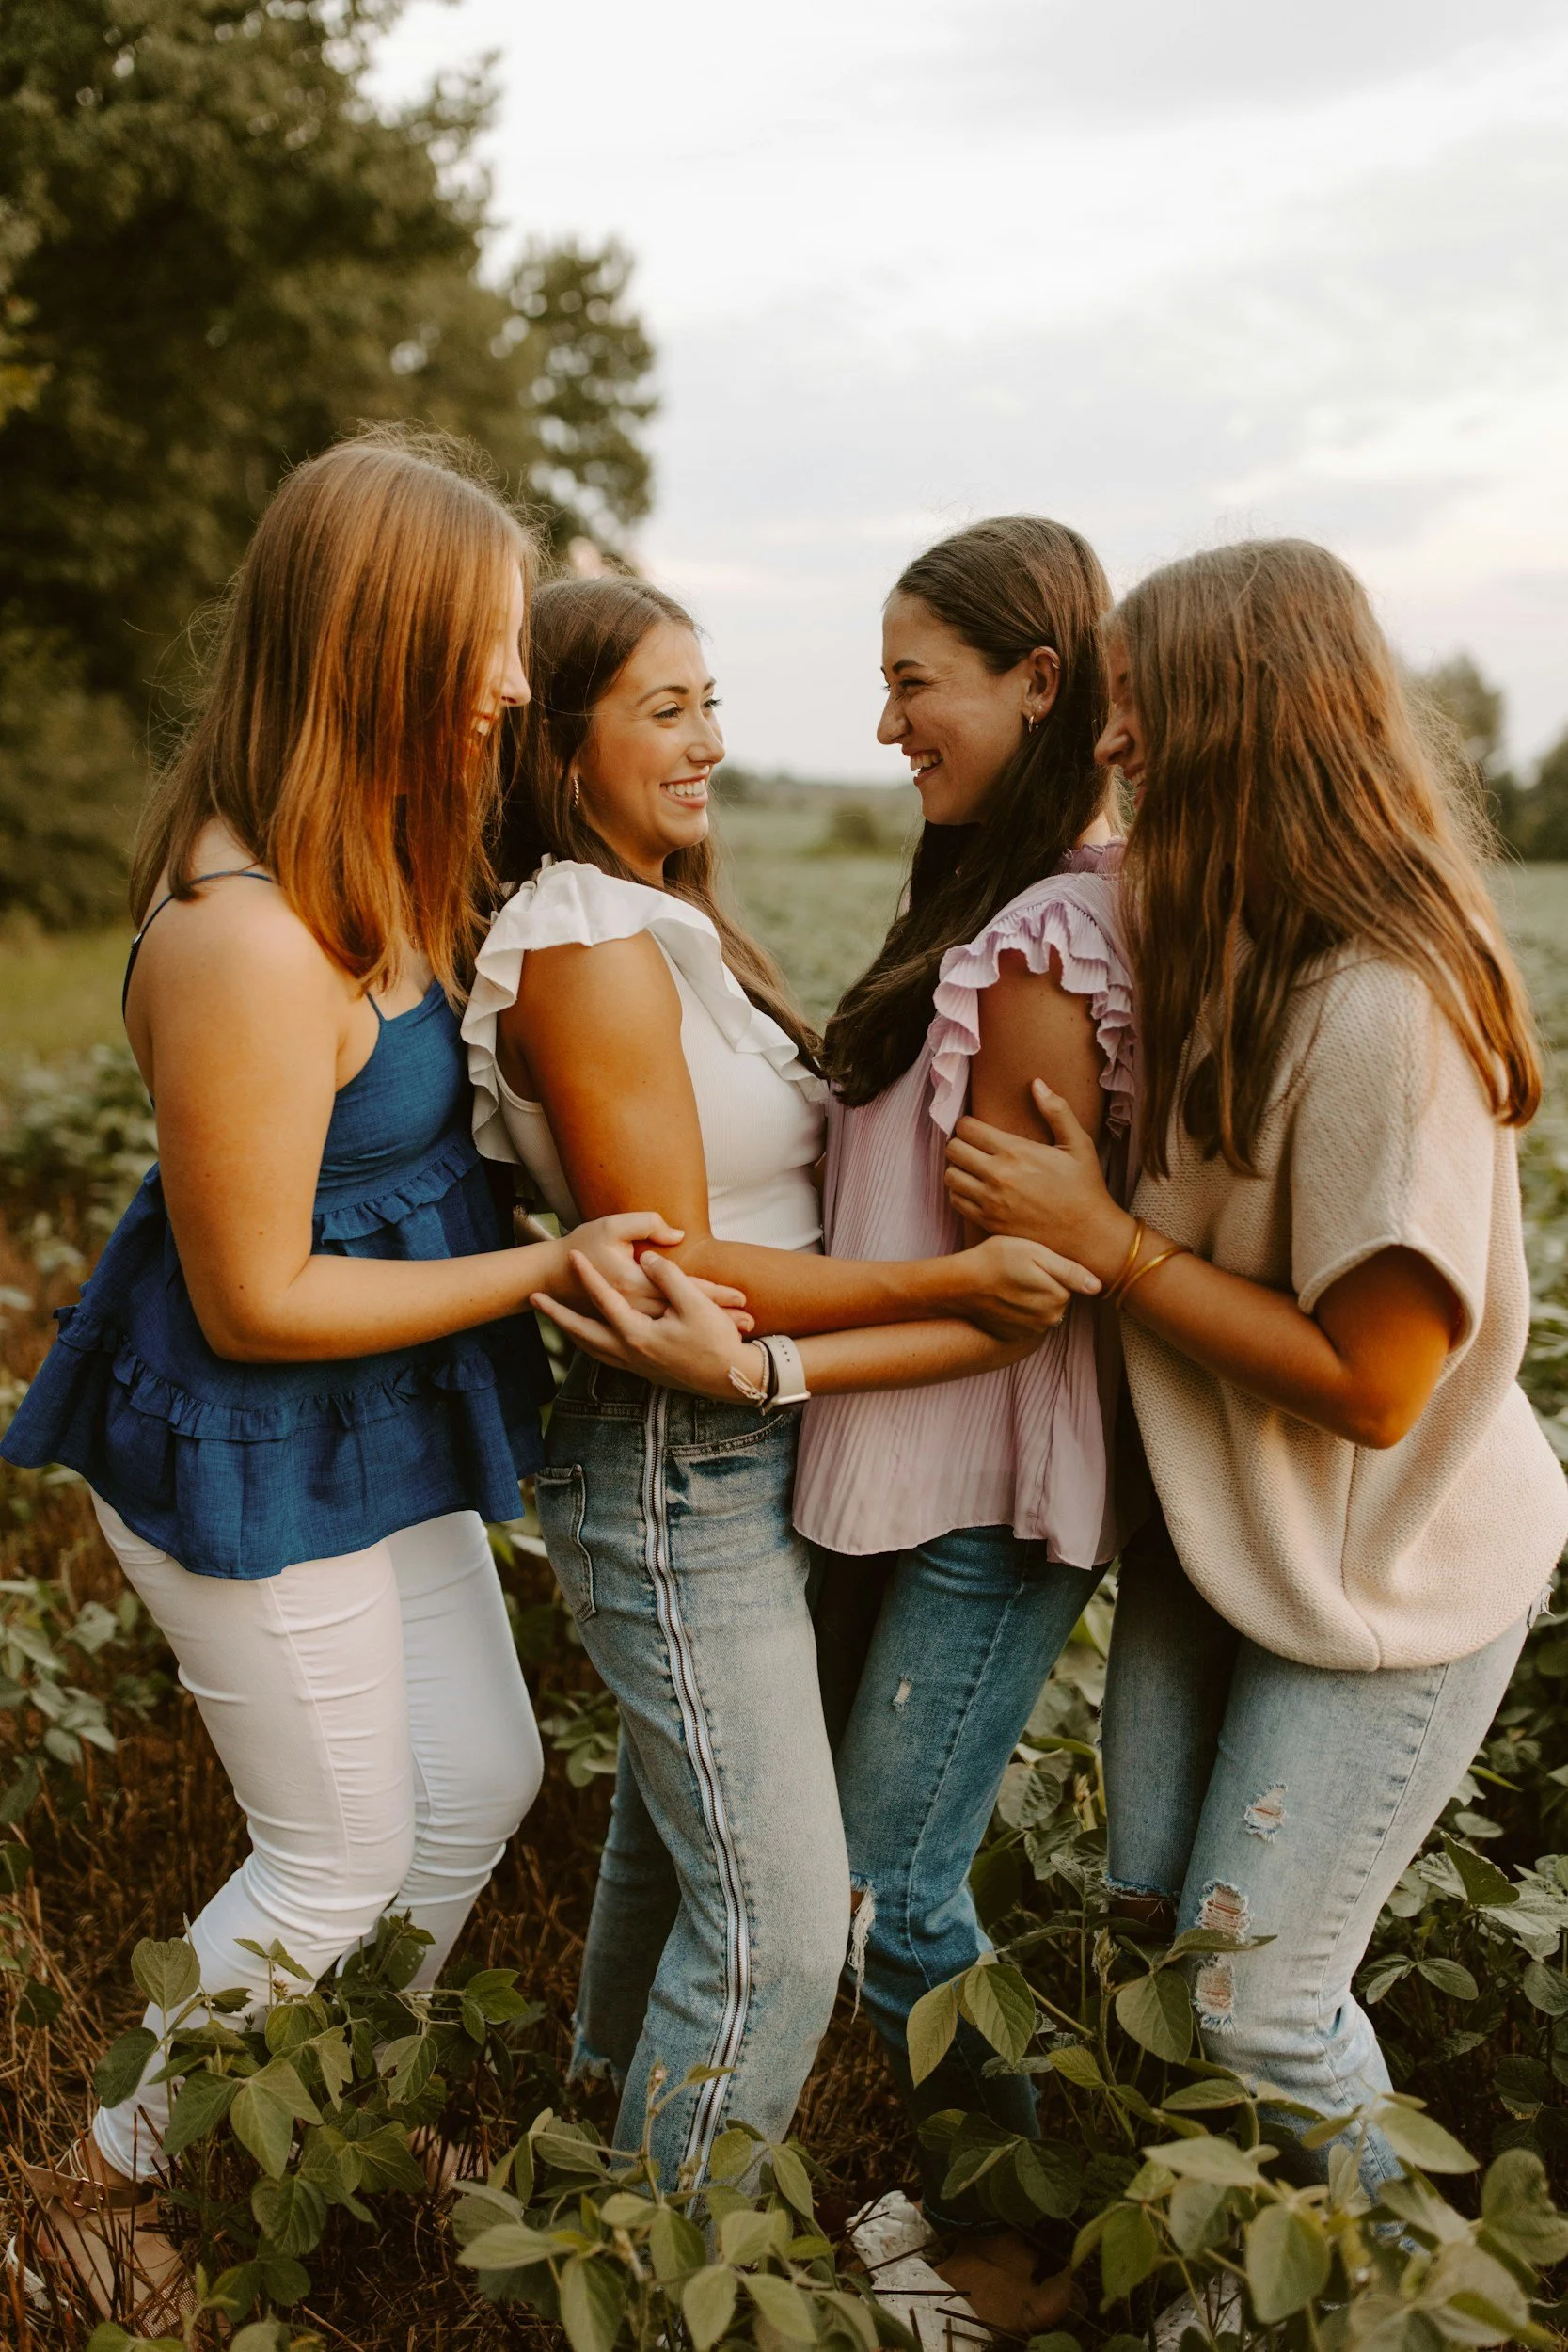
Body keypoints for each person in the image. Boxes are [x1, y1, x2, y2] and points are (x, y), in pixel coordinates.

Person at [1, 432, 683, 2328]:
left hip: (367, 1414)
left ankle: (313, 2122)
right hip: (243, 1428)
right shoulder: (240, 932)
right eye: (478, 637)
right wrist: (552, 1263)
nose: (508, 676)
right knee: (335, 1852)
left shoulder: (383, 850)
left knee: (481, 1770)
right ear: (374, 641)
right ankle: (89, 2183)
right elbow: (252, 1297)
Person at [511, 520, 1143, 2337]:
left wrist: (783, 1370)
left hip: (963, 1462)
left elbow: (1026, 1272)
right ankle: (615, 2193)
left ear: (1038, 683)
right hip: (849, 1444)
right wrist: (793, 1373)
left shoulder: (1041, 921)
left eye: (910, 681)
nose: (879, 723)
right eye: (670, 707)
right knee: (733, 1850)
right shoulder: (949, 890)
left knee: (865, 1887)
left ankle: (1006, 2244)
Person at [943, 538, 1568, 2191]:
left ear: (1237, 720)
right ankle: (1220, 2294)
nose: (1113, 742)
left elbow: (1377, 1388)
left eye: (1139, 707)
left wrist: (1106, 1238)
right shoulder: (1234, 940)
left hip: (1392, 1570)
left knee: (1257, 2011)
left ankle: (1409, 2306)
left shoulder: (1381, 1010)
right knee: (1154, 1950)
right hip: (1236, 1542)